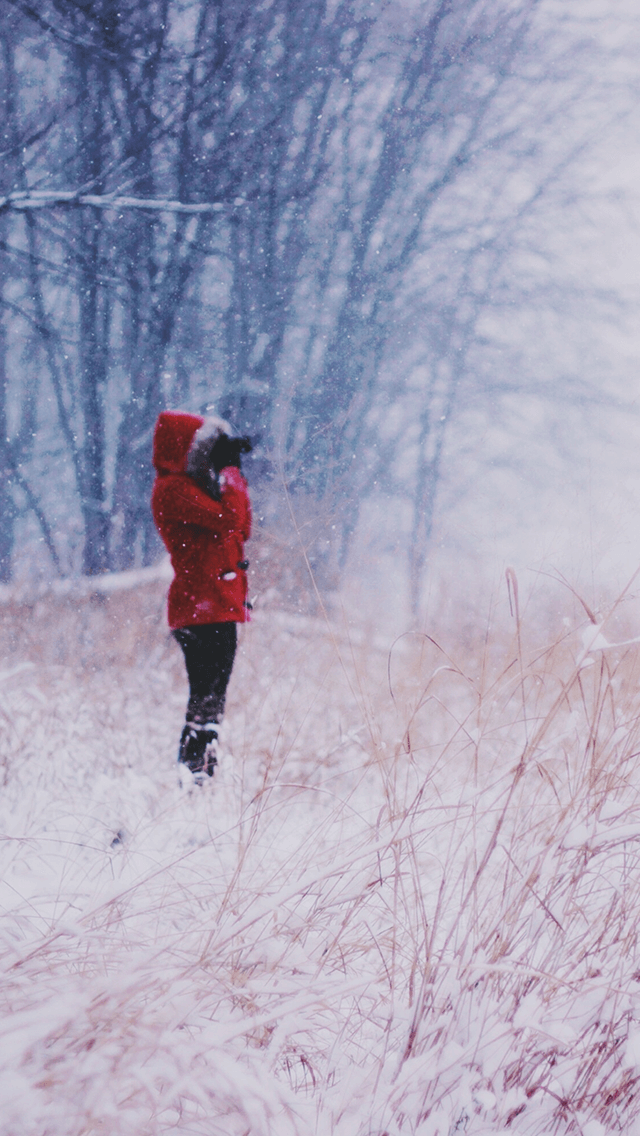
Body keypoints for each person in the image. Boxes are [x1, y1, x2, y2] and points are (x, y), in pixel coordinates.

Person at [151, 410, 252, 784]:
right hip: (200, 608)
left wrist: (231, 474)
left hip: (216, 605)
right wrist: (229, 473)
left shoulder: (195, 489)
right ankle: (194, 776)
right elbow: (229, 520)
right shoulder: (173, 491)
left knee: (213, 700)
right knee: (205, 699)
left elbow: (242, 525)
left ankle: (201, 775)